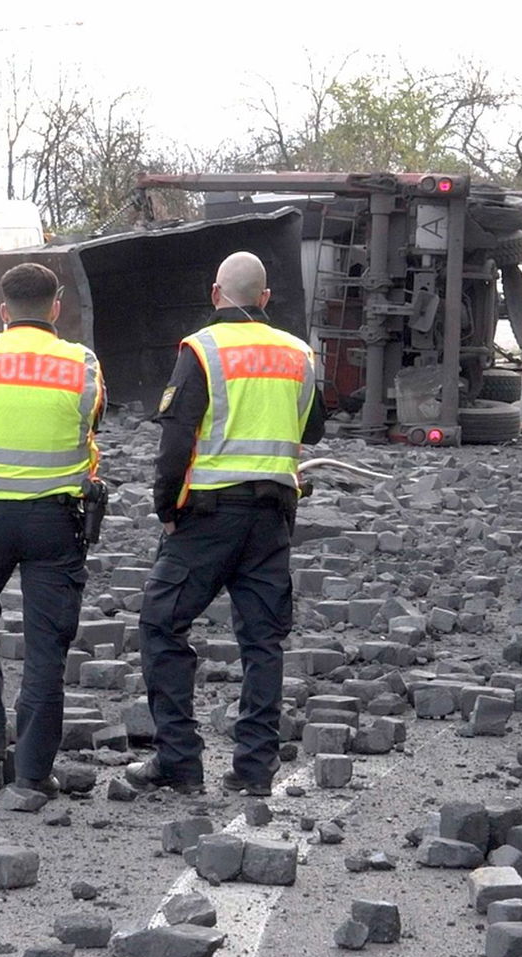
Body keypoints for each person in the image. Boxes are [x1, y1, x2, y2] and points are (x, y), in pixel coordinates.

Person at [126, 251, 325, 798]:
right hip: (272, 518)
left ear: (216, 294)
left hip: (207, 518)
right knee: (263, 641)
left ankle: (179, 761)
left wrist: (166, 510)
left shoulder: (203, 349)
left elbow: (176, 439)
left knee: (162, 625)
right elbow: (313, 429)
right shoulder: (298, 353)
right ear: (266, 298)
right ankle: (255, 769)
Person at [0, 262, 106, 795]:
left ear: (3, 310)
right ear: (56, 307)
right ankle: (35, 774)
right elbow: (93, 421)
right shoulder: (82, 364)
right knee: (46, 645)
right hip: (56, 521)